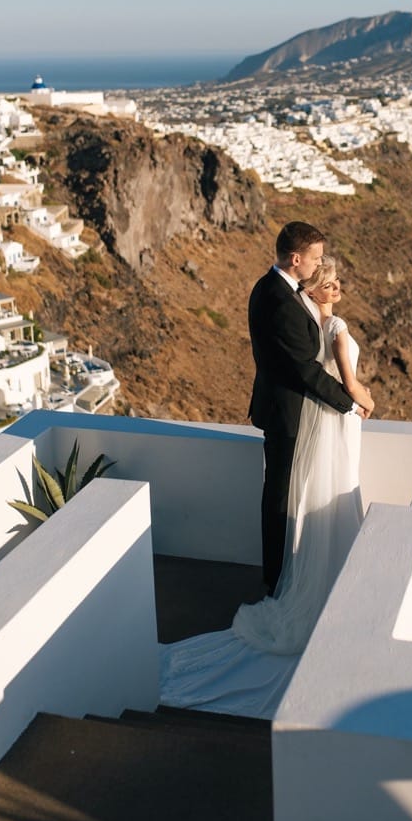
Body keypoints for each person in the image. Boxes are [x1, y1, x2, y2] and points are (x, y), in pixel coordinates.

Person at [159, 252, 372, 717]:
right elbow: (334, 379)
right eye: (331, 282)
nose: (338, 290)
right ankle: (289, 584)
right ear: (313, 285)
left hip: (317, 421)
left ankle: (288, 579)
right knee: (297, 498)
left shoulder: (305, 313)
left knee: (298, 497)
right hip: (326, 419)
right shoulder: (327, 325)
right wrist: (358, 399)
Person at [248, 221, 372, 592]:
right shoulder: (278, 299)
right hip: (287, 413)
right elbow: (304, 368)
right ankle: (277, 583)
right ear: (295, 258)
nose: (319, 265)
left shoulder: (285, 291)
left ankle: (287, 574)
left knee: (288, 497)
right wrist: (348, 402)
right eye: (315, 258)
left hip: (292, 410)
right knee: (281, 501)